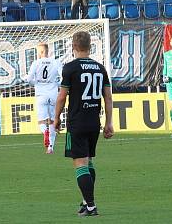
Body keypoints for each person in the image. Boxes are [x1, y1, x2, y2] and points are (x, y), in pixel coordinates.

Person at [53, 31, 113, 218]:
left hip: (77, 122)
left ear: (73, 46)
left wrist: (56, 118)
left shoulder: (69, 68)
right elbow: (108, 96)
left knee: (80, 164)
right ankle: (87, 201)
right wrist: (109, 123)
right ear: (90, 46)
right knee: (88, 162)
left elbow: (62, 96)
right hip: (94, 122)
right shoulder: (100, 68)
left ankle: (91, 206)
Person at [26, 42, 62, 154]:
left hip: (41, 94)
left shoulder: (36, 63)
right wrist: (57, 84)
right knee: (53, 121)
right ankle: (50, 147)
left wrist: (36, 82)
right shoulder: (56, 62)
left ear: (40, 51)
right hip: (53, 94)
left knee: (42, 121)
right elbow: (63, 78)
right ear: (48, 51)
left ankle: (45, 131)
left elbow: (29, 79)